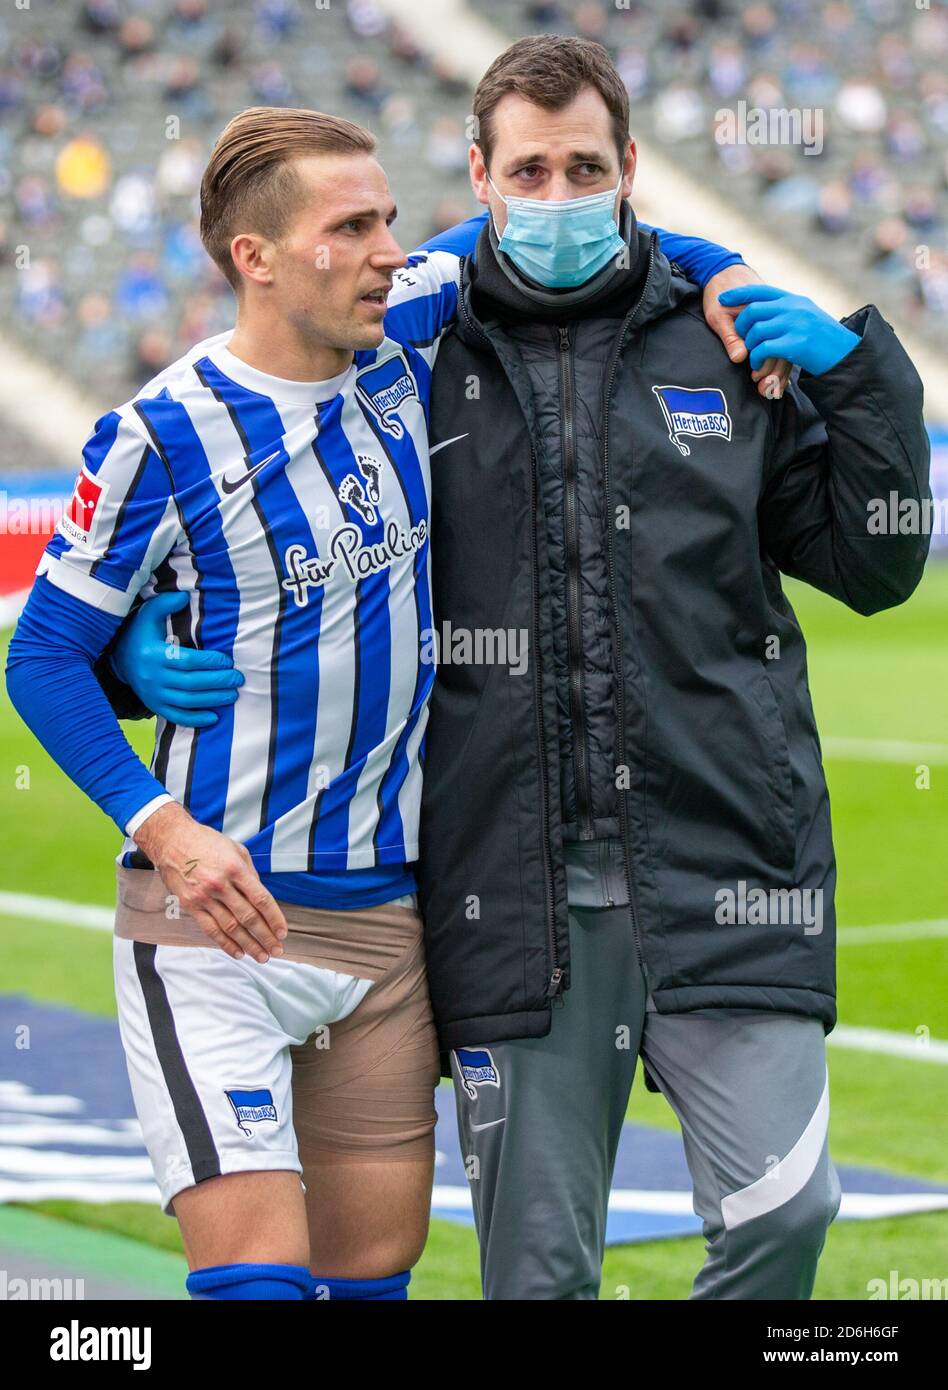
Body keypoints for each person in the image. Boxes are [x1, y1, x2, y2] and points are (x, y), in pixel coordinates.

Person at [113, 37, 931, 1301]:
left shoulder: (727, 343)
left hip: (727, 871)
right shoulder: (399, 353)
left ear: (632, 170)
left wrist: (858, 373)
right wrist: (129, 646)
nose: (561, 193)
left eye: (586, 166)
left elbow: (878, 568)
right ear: (482, 179)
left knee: (788, 1219)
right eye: (532, 168)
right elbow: (244, 539)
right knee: (540, 1280)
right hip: (513, 894)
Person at [5, 100, 762, 1301]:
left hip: (389, 928)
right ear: (254, 257)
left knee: (370, 1278)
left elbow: (577, 227)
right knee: (258, 1283)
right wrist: (166, 826)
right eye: (350, 227)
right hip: (216, 924)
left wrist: (727, 273)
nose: (388, 251)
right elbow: (40, 653)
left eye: (391, 222)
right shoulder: (161, 433)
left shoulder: (409, 335)